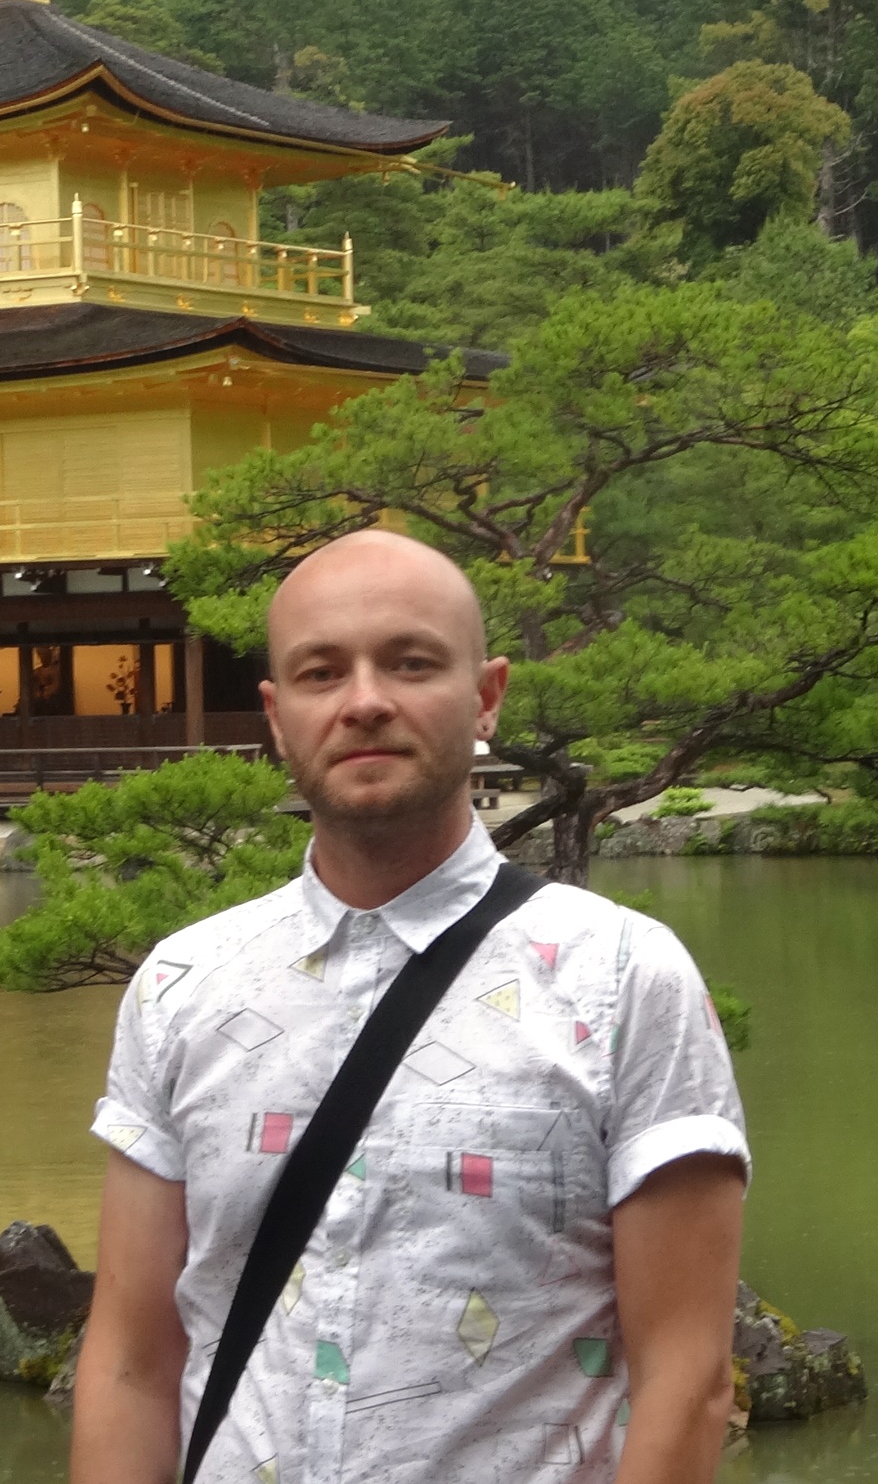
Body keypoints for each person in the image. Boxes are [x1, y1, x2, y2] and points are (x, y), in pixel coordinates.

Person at [71, 531, 748, 1484]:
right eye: (319, 673)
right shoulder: (184, 983)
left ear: (486, 696)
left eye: (410, 663)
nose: (364, 702)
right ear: (275, 714)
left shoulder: (624, 977)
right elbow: (132, 1363)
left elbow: (687, 1379)